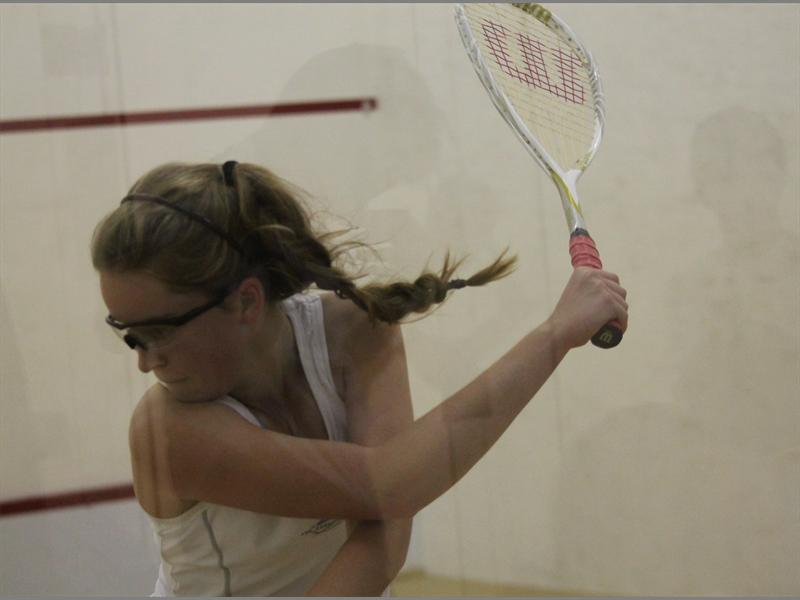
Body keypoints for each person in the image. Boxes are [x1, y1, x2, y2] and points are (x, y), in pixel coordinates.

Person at [91, 160, 628, 597]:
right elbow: (389, 484)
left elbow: (389, 519)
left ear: (246, 302)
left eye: (159, 332)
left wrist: (558, 333)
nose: (145, 361)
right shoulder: (169, 430)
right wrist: (554, 335)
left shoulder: (353, 333)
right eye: (129, 335)